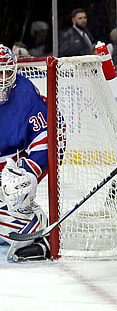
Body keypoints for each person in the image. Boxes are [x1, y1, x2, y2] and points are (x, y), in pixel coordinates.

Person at [0, 45, 51, 262]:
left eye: (7, 72)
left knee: (12, 196)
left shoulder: (25, 93)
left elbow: (46, 135)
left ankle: (35, 226)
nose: (2, 80)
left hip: (11, 167)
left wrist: (30, 172)